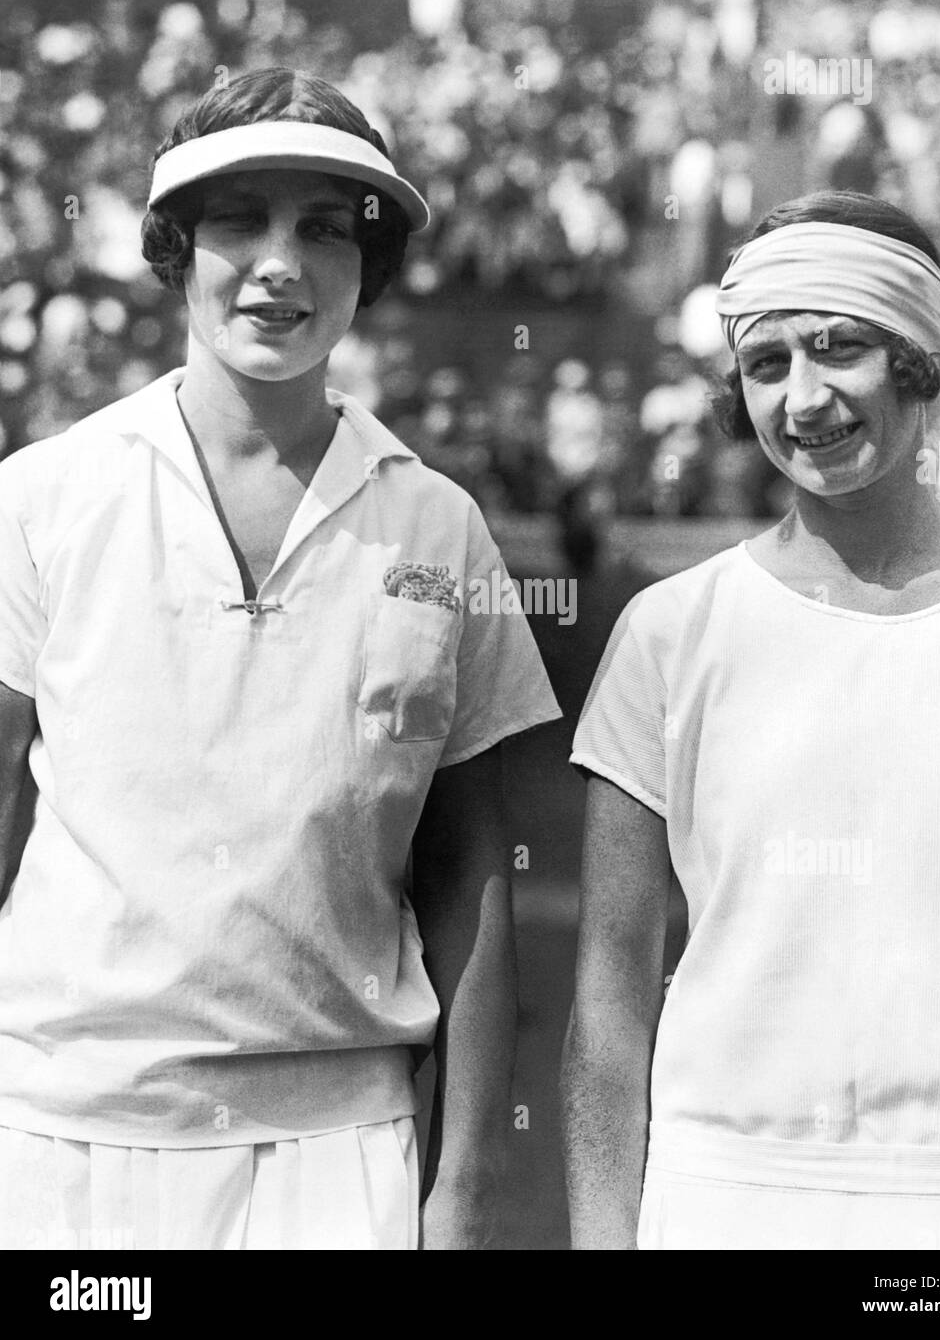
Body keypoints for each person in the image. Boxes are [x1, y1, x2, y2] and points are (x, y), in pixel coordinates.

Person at [0, 67, 561, 1251]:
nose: (280, 265)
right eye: (238, 223)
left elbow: (469, 874)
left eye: (324, 230)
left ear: (371, 268)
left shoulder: (438, 522)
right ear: (173, 249)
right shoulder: (45, 497)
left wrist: (461, 1188)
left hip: (339, 1147)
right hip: (65, 1133)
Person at [562, 189, 940, 1250]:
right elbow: (609, 1006)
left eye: (840, 349)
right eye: (769, 362)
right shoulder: (669, 633)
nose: (806, 398)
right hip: (728, 1193)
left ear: (919, 360)